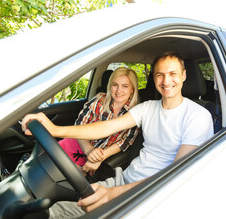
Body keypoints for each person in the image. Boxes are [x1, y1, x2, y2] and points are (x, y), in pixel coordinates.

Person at [21, 51, 214, 217]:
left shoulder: (198, 116)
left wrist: (112, 194)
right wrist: (54, 130)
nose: (166, 81)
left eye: (173, 74)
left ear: (184, 75)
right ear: (154, 78)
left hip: (156, 193)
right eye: (160, 75)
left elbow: (176, 174)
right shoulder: (147, 108)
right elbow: (105, 127)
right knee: (56, 211)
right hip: (124, 178)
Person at [58, 67, 140, 175]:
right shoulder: (99, 99)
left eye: (125, 86)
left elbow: (124, 142)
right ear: (110, 86)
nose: (118, 90)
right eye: (115, 85)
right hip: (76, 144)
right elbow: (79, 124)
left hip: (95, 157)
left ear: (132, 89)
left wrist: (100, 158)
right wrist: (88, 150)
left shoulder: (136, 112)